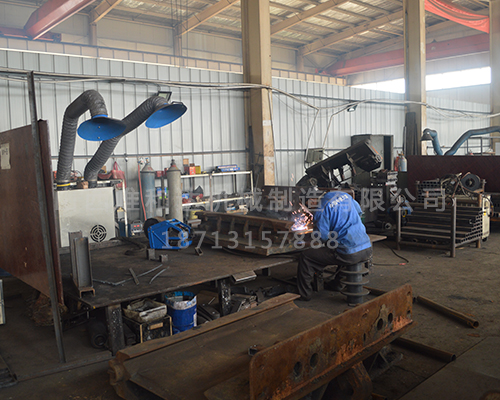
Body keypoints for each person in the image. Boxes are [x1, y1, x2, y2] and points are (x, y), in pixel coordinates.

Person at [297, 190, 372, 301]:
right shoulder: (344, 195)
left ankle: (304, 294)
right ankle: (337, 284)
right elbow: (359, 212)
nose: (311, 210)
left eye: (309, 206)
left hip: (349, 253)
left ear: (312, 200)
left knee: (306, 257)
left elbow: (322, 237)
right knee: (341, 248)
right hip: (367, 247)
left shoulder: (321, 207)